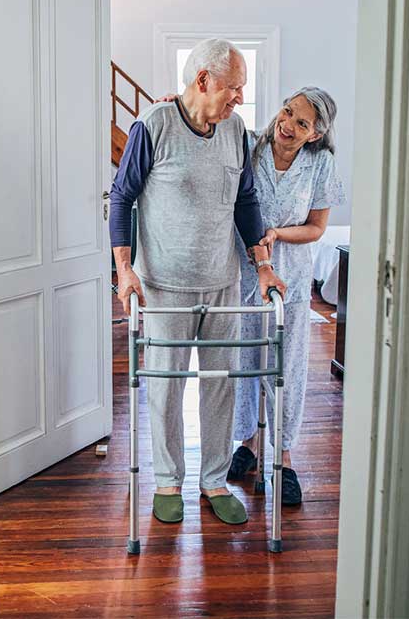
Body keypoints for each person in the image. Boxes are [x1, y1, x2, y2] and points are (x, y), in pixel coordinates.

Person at [108, 39, 286, 526]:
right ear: (203, 80)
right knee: (165, 388)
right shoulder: (154, 125)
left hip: (222, 282)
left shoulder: (237, 132)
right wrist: (124, 271)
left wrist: (263, 263)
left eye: (242, 89)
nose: (239, 98)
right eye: (234, 87)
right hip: (163, 286)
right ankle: (168, 480)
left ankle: (214, 479)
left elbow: (245, 201)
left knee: (220, 385)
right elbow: (122, 199)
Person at [228, 87, 345, 504]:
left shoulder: (320, 163)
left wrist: (278, 233)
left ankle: (286, 456)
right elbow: (205, 123)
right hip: (243, 269)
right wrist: (176, 102)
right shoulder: (248, 145)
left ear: (315, 134)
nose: (288, 124)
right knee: (245, 358)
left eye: (302, 123)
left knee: (286, 364)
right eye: (288, 111)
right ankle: (248, 444)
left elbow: (316, 228)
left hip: (291, 275)